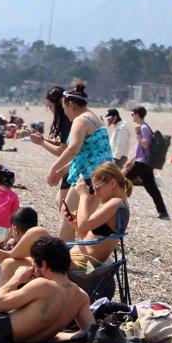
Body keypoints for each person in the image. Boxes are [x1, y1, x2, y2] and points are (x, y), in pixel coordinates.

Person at [45, 81, 113, 240]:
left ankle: (62, 260)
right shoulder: (96, 119)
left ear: (71, 104)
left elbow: (73, 149)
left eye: (64, 108)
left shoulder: (80, 120)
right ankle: (94, 258)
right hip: (104, 177)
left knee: (68, 218)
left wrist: (53, 169)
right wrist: (62, 171)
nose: (66, 114)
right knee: (83, 223)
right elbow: (86, 154)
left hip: (87, 179)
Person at [64, 163, 131, 271]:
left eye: (97, 188)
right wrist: (76, 225)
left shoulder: (116, 203)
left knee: (37, 235)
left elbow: (85, 224)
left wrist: (83, 195)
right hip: (86, 265)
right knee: (36, 256)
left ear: (112, 183)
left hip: (83, 265)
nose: (96, 193)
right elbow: (90, 241)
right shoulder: (120, 204)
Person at [26, 85, 74, 207]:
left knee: (64, 207)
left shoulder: (66, 121)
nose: (50, 109)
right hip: (76, 163)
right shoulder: (69, 119)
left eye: (51, 106)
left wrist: (42, 142)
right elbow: (65, 144)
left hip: (78, 166)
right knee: (61, 202)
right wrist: (43, 139)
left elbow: (61, 151)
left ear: (59, 105)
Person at [125, 107, 170, 220]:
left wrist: (138, 133)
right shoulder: (144, 127)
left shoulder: (144, 127)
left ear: (137, 115)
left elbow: (146, 145)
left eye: (133, 114)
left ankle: (116, 206)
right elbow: (142, 149)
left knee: (123, 182)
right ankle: (163, 213)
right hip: (145, 162)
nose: (132, 116)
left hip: (143, 162)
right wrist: (132, 160)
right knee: (152, 188)